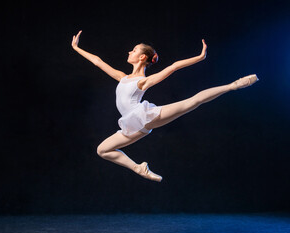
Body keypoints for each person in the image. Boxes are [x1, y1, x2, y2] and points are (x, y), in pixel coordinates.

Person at [71, 30, 258, 182]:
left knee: (192, 102)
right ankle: (139, 168)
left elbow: (174, 66)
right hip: (131, 124)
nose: (129, 52)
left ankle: (235, 85)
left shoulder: (142, 81)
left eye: (134, 50)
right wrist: (76, 48)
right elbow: (98, 61)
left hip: (144, 116)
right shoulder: (122, 77)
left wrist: (199, 57)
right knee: (102, 150)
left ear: (142, 57)